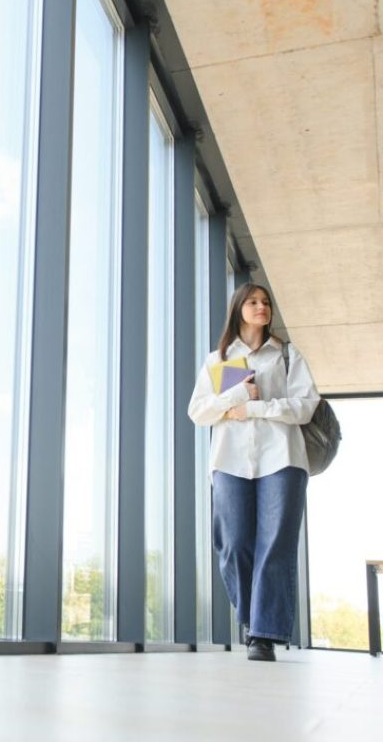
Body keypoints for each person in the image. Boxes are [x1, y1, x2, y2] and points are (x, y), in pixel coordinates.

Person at [188, 282, 320, 662]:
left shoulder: (288, 356)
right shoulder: (218, 359)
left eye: (266, 302)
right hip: (229, 461)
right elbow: (199, 412)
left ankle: (263, 633)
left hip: (282, 459)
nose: (261, 306)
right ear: (238, 308)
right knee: (233, 544)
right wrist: (237, 396)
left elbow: (305, 407)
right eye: (253, 301)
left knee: (274, 543)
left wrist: (257, 409)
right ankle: (252, 617)